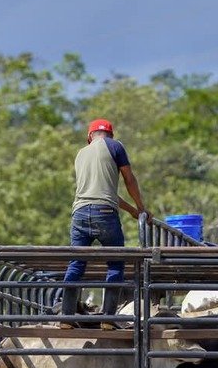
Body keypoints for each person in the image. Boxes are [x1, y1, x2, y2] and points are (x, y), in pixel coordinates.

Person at [60, 118, 151, 325]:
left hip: (80, 213)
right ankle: (108, 319)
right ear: (110, 135)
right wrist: (141, 208)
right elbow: (129, 179)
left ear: (89, 136)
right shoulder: (115, 146)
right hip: (105, 213)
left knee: (76, 264)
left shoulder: (81, 154)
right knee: (116, 264)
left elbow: (104, 193)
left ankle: (66, 317)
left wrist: (131, 211)